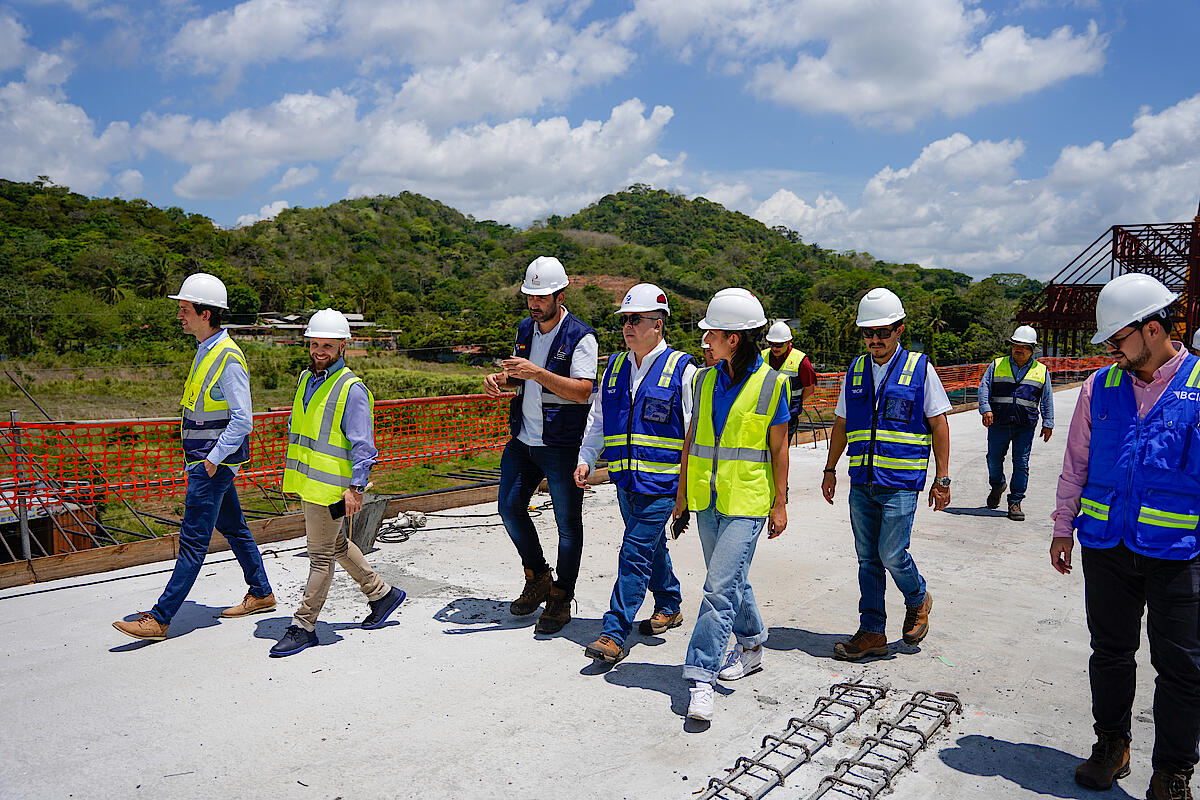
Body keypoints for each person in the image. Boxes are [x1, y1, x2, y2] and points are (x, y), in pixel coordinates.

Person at [1051, 273, 1200, 800]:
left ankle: (1172, 772)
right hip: (1107, 546)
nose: (1111, 351)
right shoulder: (1100, 387)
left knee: (1182, 669)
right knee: (1110, 653)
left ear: (1152, 329)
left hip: (1179, 554)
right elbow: (1076, 463)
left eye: (1117, 340)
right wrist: (1063, 526)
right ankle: (1111, 746)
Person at [113, 273, 274, 641]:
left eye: (184, 310)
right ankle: (262, 592)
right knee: (234, 527)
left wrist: (213, 459)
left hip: (211, 463)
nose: (179, 316)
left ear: (206, 314)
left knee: (192, 541)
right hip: (206, 461)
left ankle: (160, 618)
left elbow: (243, 420)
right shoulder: (206, 349)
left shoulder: (227, 357)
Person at [673, 289, 790, 722]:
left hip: (747, 502)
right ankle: (752, 643)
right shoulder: (702, 381)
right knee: (730, 581)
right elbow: (692, 440)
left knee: (718, 591)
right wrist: (682, 496)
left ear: (733, 339)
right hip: (707, 499)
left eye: (711, 335)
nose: (704, 341)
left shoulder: (772, 384)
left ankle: (700, 675)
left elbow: (779, 449)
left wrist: (780, 503)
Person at [820, 288, 951, 661]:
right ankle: (872, 631)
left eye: (883, 331)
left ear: (899, 330)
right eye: (869, 332)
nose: (875, 339)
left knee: (891, 553)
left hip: (901, 483)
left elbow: (939, 424)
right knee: (867, 559)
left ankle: (917, 597)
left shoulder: (919, 368)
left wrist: (942, 479)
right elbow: (842, 423)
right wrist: (830, 468)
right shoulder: (856, 371)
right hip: (862, 481)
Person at [270, 309, 405, 657]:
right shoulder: (306, 378)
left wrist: (356, 488)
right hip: (308, 483)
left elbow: (364, 446)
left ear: (343, 346)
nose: (319, 351)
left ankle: (304, 625)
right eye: (314, 344)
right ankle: (382, 594)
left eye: (327, 345)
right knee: (336, 545)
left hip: (332, 489)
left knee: (320, 557)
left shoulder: (351, 389)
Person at [575, 283, 696, 664]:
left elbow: (694, 433)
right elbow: (598, 420)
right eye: (624, 320)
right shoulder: (614, 368)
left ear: (658, 324)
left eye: (635, 319)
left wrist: (685, 492)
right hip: (625, 482)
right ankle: (670, 602)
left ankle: (614, 633)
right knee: (650, 548)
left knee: (634, 553)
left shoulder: (683, 370)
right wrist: (586, 458)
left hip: (663, 486)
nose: (627, 326)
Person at [484, 256, 598, 634]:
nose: (534, 303)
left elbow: (582, 391)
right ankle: (538, 577)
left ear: (560, 296)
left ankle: (561, 596)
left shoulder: (580, 337)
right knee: (508, 507)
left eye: (542, 297)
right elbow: (523, 379)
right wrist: (501, 379)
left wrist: (537, 373)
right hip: (523, 439)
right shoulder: (525, 329)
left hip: (561, 444)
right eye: (530, 296)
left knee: (568, 525)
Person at [977, 325, 1054, 521]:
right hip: (999, 421)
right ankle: (997, 486)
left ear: (1032, 350)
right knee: (993, 459)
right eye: (1015, 345)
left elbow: (1046, 398)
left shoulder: (1041, 371)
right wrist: (985, 409)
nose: (1018, 349)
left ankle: (1015, 501)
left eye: (1023, 346)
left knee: (1021, 463)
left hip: (1025, 424)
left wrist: (1048, 422)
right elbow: (984, 387)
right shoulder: (997, 365)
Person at [763, 320, 818, 443]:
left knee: (780, 450)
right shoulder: (761, 357)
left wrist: (794, 403)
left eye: (779, 345)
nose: (774, 348)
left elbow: (809, 389)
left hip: (788, 417)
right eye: (771, 344)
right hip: (764, 414)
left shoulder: (801, 361)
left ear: (788, 342)